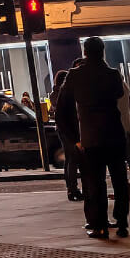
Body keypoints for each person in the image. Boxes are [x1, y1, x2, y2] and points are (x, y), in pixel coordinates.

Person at [55, 38, 130, 238]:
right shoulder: (112, 74)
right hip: (113, 132)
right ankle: (122, 222)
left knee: (94, 182)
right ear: (103, 51)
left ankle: (99, 225)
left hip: (90, 136)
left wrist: (74, 139)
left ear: (85, 52)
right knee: (120, 181)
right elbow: (117, 94)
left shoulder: (75, 75)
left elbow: (62, 109)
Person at [49, 70, 81, 202]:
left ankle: (70, 187)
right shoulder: (64, 93)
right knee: (72, 159)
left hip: (61, 129)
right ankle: (72, 188)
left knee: (69, 159)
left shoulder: (54, 94)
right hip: (67, 129)